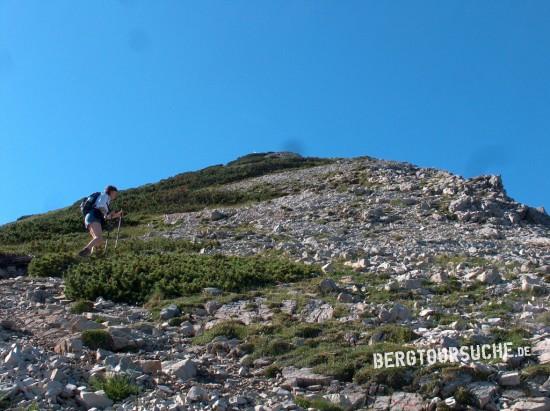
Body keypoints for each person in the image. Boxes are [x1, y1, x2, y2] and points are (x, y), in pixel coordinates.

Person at [79, 185, 123, 256]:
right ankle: (87, 249)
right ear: (111, 192)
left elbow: (106, 216)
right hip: (94, 216)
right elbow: (100, 206)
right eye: (115, 193)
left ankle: (93, 255)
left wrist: (116, 215)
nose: (115, 196)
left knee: (99, 240)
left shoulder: (106, 200)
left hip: (90, 217)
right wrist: (108, 213)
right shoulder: (105, 195)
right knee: (98, 238)